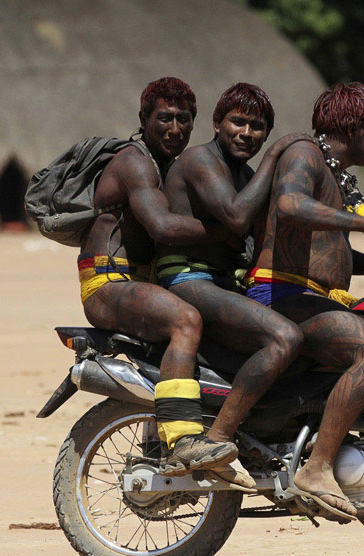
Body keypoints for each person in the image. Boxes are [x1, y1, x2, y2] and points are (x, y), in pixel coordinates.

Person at [245, 82, 364, 519]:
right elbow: (291, 204)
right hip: (281, 292)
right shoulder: (305, 153)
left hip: (308, 293)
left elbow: (327, 252)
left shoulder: (333, 172)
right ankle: (316, 470)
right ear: (353, 127)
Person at [80, 76, 236, 476]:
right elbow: (163, 228)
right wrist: (232, 230)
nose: (175, 129)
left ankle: (156, 442)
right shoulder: (135, 162)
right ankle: (183, 438)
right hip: (108, 285)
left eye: (184, 119)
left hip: (143, 285)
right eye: (165, 118)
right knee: (185, 320)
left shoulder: (170, 166)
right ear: (143, 118)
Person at [158, 83, 309, 488]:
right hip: (187, 278)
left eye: (258, 127)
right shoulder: (200, 160)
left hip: (224, 282)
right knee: (284, 337)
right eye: (237, 122)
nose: (247, 133)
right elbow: (237, 217)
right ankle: (217, 438)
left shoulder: (242, 172)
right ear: (217, 123)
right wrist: (276, 154)